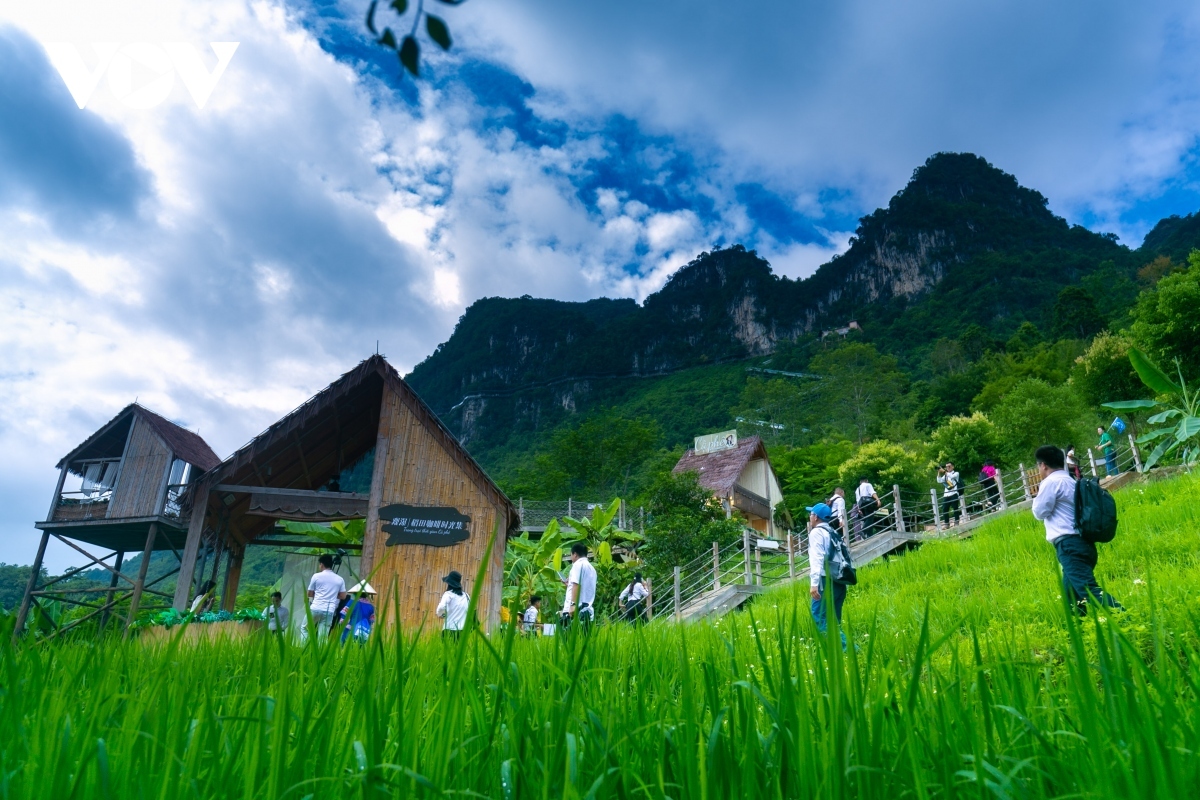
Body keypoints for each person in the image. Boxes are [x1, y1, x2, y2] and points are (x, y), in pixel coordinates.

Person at [1031, 445, 1122, 617]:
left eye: (1038, 466)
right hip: (1084, 543)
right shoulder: (1071, 481)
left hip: (1069, 545)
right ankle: (1081, 632)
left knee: (1088, 590)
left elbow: (1039, 512)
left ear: (1043, 465)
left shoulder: (1051, 482)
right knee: (1072, 596)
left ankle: (1126, 617)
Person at [806, 502, 848, 648]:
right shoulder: (833, 532)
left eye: (811, 514)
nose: (810, 517)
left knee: (819, 617)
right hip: (839, 580)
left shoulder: (816, 533)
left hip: (825, 580)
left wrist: (814, 584)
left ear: (816, 517)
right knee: (834, 620)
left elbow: (817, 559)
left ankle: (846, 650)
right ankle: (841, 650)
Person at [304, 554, 347, 642]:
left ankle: (303, 649)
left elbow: (309, 593)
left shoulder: (316, 576)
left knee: (305, 628)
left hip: (316, 607)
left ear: (322, 564)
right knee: (323, 635)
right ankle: (321, 653)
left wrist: (319, 593)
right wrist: (332, 594)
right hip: (329, 611)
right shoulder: (340, 579)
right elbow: (343, 596)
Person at [562, 543, 597, 631]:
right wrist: (569, 585)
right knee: (582, 641)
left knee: (568, 642)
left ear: (575, 554)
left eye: (571, 554)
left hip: (575, 611)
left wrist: (573, 605)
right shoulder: (592, 568)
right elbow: (584, 586)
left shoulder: (577, 565)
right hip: (587, 611)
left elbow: (576, 584)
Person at [436, 570, 470, 638]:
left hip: (448, 630)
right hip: (462, 632)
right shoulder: (466, 596)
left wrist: (441, 615)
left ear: (449, 583)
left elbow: (441, 607)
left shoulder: (448, 594)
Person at [937, 462, 961, 526]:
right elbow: (939, 481)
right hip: (946, 494)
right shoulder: (945, 475)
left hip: (954, 493)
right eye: (947, 467)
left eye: (949, 466)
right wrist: (939, 472)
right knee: (944, 509)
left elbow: (951, 476)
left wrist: (944, 471)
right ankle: (947, 523)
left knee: (955, 508)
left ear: (953, 467)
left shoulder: (956, 473)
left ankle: (956, 522)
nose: (948, 468)